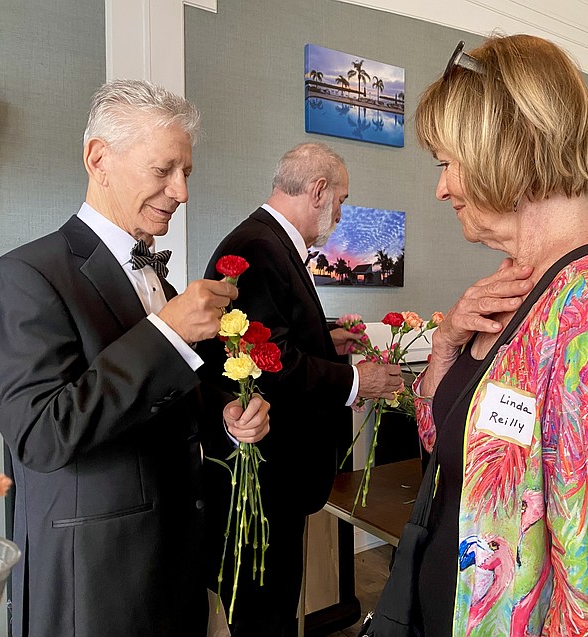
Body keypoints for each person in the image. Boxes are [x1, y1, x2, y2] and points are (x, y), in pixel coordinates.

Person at [0, 79, 270, 637]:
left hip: (178, 561)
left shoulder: (155, 274)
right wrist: (166, 332)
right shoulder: (21, 277)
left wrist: (226, 421)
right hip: (96, 578)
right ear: (98, 158)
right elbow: (41, 433)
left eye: (186, 172)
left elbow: (164, 403)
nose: (181, 191)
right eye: (164, 171)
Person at [410, 36, 588, 635]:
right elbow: (448, 451)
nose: (441, 189)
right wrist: (446, 344)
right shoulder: (517, 282)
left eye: (448, 163)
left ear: (511, 151)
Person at [200, 142, 405, 637]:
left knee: (274, 604)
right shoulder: (257, 247)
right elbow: (268, 367)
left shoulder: (268, 241)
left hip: (276, 477)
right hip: (265, 477)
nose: (342, 212)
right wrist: (359, 380)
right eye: (343, 199)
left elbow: (274, 339)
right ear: (318, 191)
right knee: (266, 613)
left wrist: (326, 341)